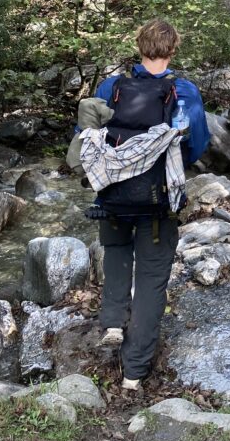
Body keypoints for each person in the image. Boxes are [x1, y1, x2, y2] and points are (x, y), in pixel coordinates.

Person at [82, 19, 209, 390]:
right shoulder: (182, 91)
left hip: (112, 195)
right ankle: (133, 374)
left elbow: (86, 136)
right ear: (173, 50)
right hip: (159, 199)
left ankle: (111, 323)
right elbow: (196, 143)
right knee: (152, 280)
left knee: (117, 253)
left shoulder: (111, 86)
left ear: (139, 46)